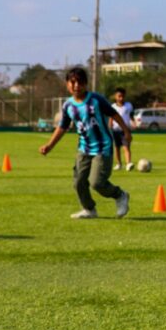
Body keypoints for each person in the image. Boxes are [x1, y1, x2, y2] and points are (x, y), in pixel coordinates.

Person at [39, 67, 131, 220]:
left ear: (86, 84)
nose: (76, 86)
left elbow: (113, 114)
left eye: (80, 82)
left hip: (103, 147)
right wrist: (49, 145)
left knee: (97, 183)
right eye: (72, 82)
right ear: (67, 84)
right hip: (84, 148)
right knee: (79, 182)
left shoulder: (96, 100)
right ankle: (89, 209)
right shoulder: (68, 105)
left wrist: (126, 131)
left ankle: (120, 195)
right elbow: (62, 127)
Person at [110, 86, 136, 171]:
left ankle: (128, 163)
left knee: (126, 147)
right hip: (115, 130)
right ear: (115, 96)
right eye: (119, 96)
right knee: (117, 148)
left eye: (122, 96)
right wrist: (109, 125)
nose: (121, 98)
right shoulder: (113, 106)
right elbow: (111, 117)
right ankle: (119, 164)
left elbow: (131, 115)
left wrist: (134, 122)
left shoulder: (128, 105)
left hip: (125, 130)